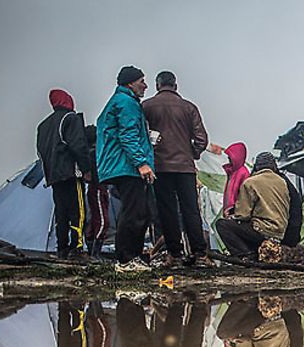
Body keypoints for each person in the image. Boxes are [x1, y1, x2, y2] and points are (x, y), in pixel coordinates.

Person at [141, 71, 211, 268]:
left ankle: (175, 255)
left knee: (167, 211)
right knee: (191, 210)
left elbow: (139, 134)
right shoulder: (189, 108)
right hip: (185, 168)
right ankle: (200, 255)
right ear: (175, 85)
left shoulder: (146, 107)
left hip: (160, 167)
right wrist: (192, 154)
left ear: (158, 85)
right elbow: (201, 139)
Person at [96, 66, 156, 271]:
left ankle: (133, 256)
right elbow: (128, 135)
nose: (145, 85)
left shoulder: (121, 101)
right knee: (135, 212)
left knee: (140, 211)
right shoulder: (126, 102)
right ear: (130, 83)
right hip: (127, 167)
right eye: (142, 81)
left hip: (124, 165)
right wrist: (142, 163)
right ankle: (126, 258)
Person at [36, 89, 92, 260]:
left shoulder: (43, 125)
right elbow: (78, 145)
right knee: (78, 211)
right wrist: (86, 169)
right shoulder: (70, 119)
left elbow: (41, 152)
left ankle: (62, 248)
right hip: (71, 173)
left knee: (61, 212)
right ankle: (77, 248)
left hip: (54, 176)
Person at [216, 152, 290, 259]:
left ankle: (245, 255)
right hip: (279, 233)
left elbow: (242, 214)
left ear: (257, 166)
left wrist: (232, 214)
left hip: (263, 230)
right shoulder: (282, 182)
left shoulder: (251, 182)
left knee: (222, 225)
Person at [83, 125, 110, 257]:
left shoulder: (90, 153)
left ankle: (91, 248)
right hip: (98, 188)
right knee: (102, 221)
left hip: (99, 189)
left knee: (95, 219)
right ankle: (95, 252)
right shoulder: (95, 154)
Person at [221, 142, 250, 217]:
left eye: (230, 156)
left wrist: (234, 209)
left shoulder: (243, 173)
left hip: (236, 212)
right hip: (229, 211)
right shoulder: (232, 172)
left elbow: (244, 197)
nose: (228, 158)